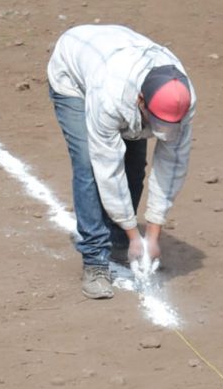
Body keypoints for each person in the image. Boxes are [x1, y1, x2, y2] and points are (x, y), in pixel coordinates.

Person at [47, 24, 196, 299]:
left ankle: (117, 243)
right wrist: (133, 233)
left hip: (119, 61)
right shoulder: (110, 97)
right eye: (156, 121)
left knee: (135, 165)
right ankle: (95, 260)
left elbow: (171, 166)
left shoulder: (182, 99)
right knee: (89, 166)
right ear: (141, 101)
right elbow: (108, 168)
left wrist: (151, 235)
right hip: (74, 75)